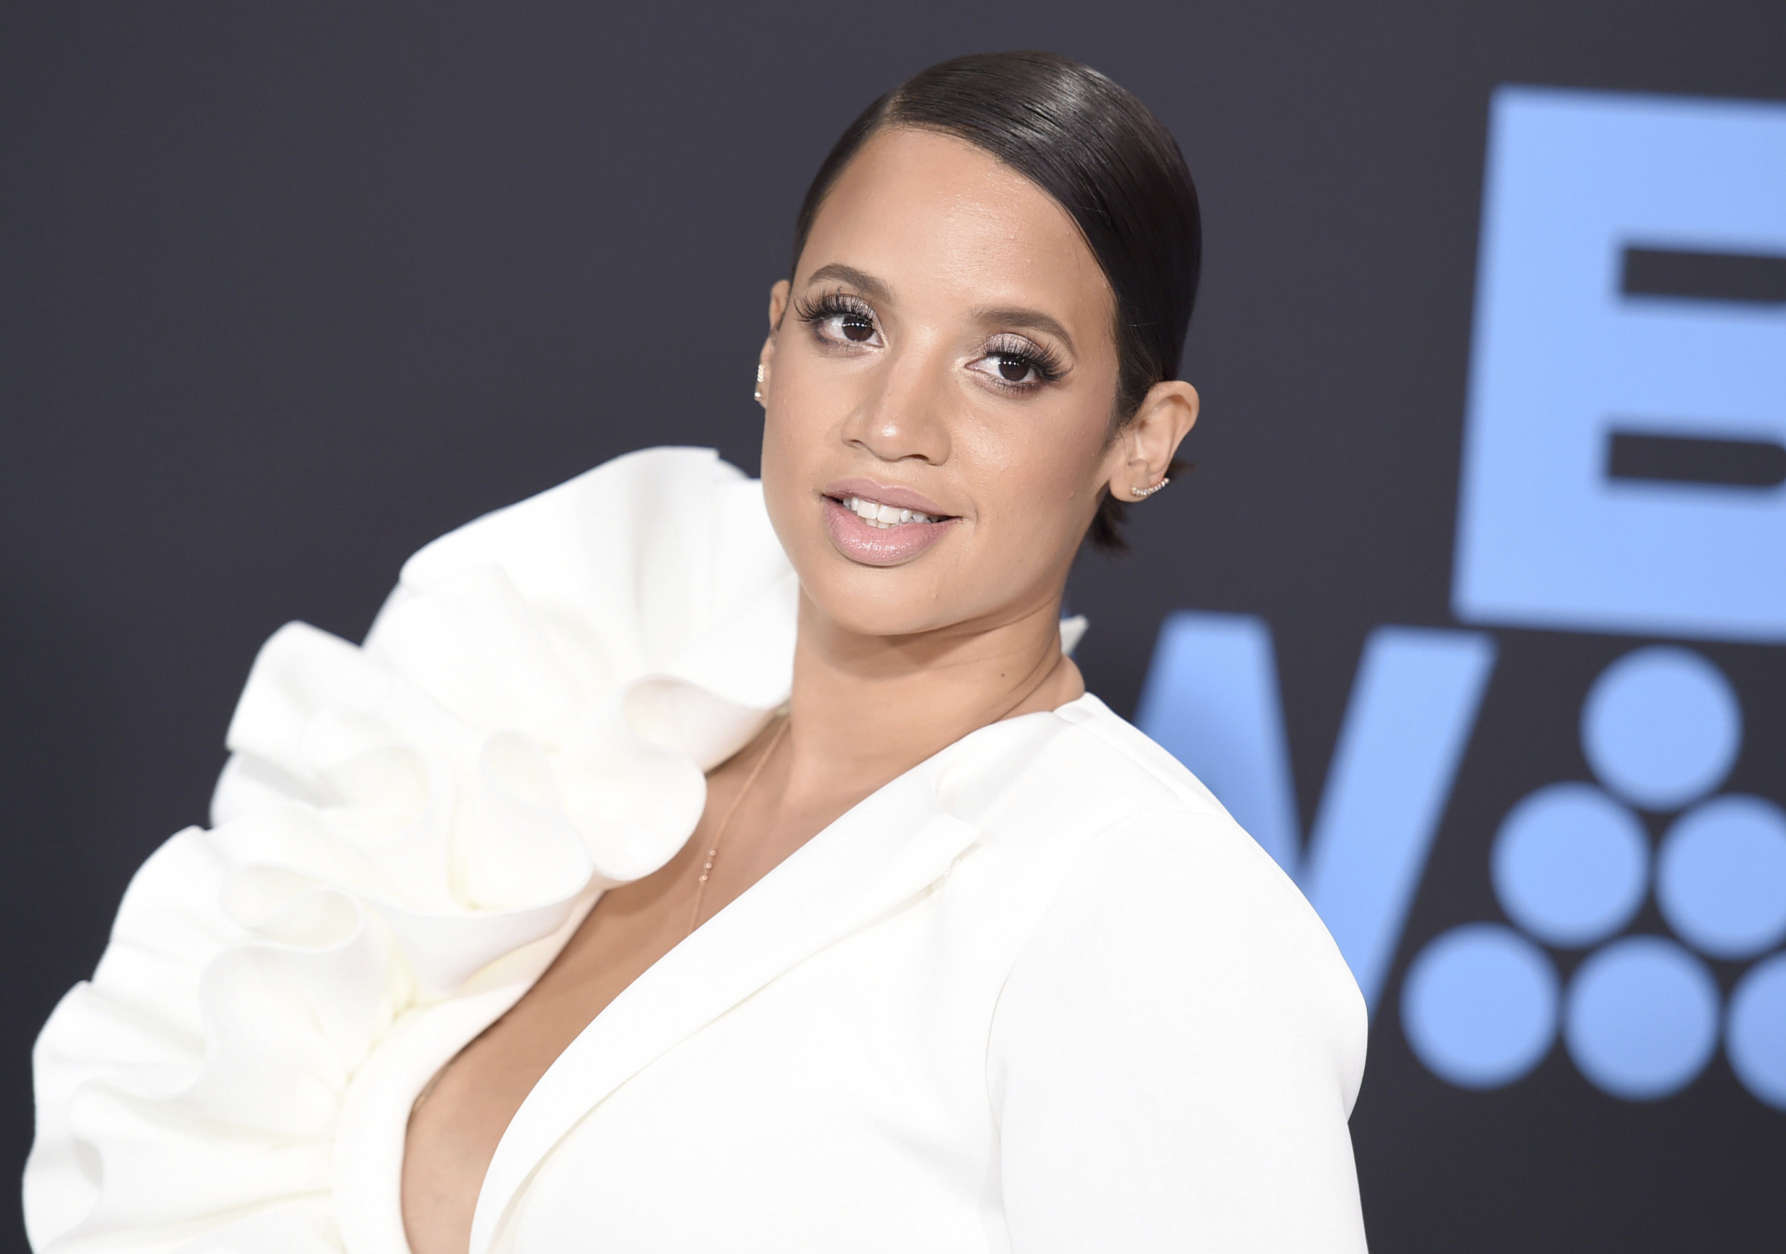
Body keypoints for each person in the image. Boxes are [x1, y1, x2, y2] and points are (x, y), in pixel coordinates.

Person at [22, 48, 1370, 1254]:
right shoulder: (593, 742)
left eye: (1009, 362)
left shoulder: (1142, 906)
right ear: (773, 344)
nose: (893, 421)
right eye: (852, 322)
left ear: (1144, 436)